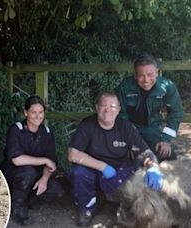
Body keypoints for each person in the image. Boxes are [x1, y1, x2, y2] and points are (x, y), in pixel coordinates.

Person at [68, 91, 163, 227]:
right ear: (96, 108)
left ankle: (116, 204)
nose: (108, 110)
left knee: (133, 184)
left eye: (112, 106)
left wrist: (153, 166)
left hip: (119, 167)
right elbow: (72, 154)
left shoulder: (126, 127)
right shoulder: (87, 125)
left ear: (118, 110)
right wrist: (103, 167)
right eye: (103, 106)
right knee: (78, 173)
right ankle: (87, 208)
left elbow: (144, 152)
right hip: (93, 168)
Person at [1, 95, 64, 226]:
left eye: (40, 112)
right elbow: (17, 160)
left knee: (56, 190)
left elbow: (51, 163)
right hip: (14, 172)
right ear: (25, 112)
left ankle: (30, 201)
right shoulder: (16, 129)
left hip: (36, 174)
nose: (37, 116)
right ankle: (17, 208)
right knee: (28, 173)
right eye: (33, 112)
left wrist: (44, 180)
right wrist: (44, 160)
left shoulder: (47, 132)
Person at [116, 54, 183, 162]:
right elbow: (120, 114)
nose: (146, 80)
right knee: (127, 156)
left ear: (157, 72)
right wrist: (127, 137)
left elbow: (176, 113)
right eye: (141, 75)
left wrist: (166, 140)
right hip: (131, 128)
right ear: (135, 76)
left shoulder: (167, 86)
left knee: (168, 156)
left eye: (150, 74)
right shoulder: (125, 86)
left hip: (153, 128)